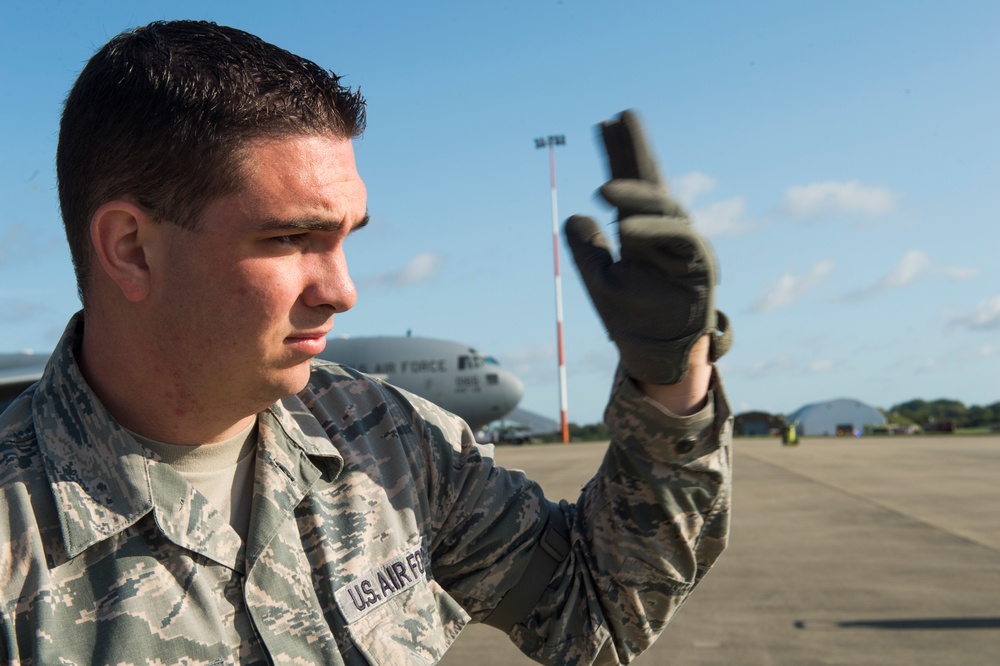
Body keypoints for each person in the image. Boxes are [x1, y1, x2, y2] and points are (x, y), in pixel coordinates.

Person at [0, 20, 733, 665]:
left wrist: (673, 377)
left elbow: (594, 613)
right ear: (131, 249)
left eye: (346, 237)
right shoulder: (17, 541)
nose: (342, 290)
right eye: (289, 237)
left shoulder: (393, 446)